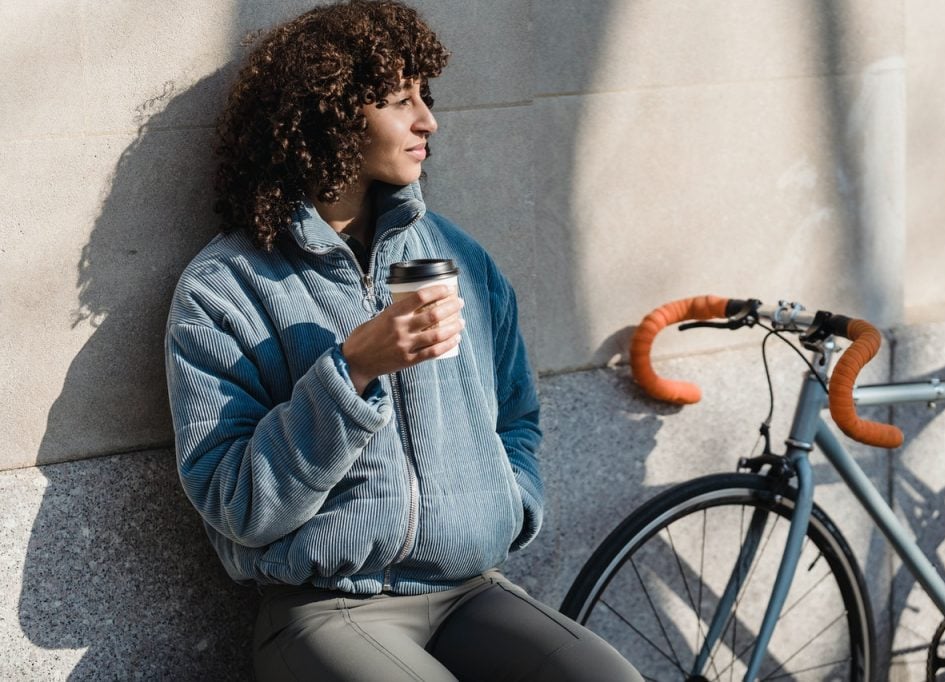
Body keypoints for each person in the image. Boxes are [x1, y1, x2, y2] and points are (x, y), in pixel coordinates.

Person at [164, 1, 643, 680]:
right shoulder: (226, 287)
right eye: (400, 101)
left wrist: (509, 505)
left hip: (472, 591)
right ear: (330, 116)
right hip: (328, 607)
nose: (429, 121)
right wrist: (352, 369)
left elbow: (518, 416)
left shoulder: (459, 256)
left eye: (426, 96)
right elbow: (233, 499)